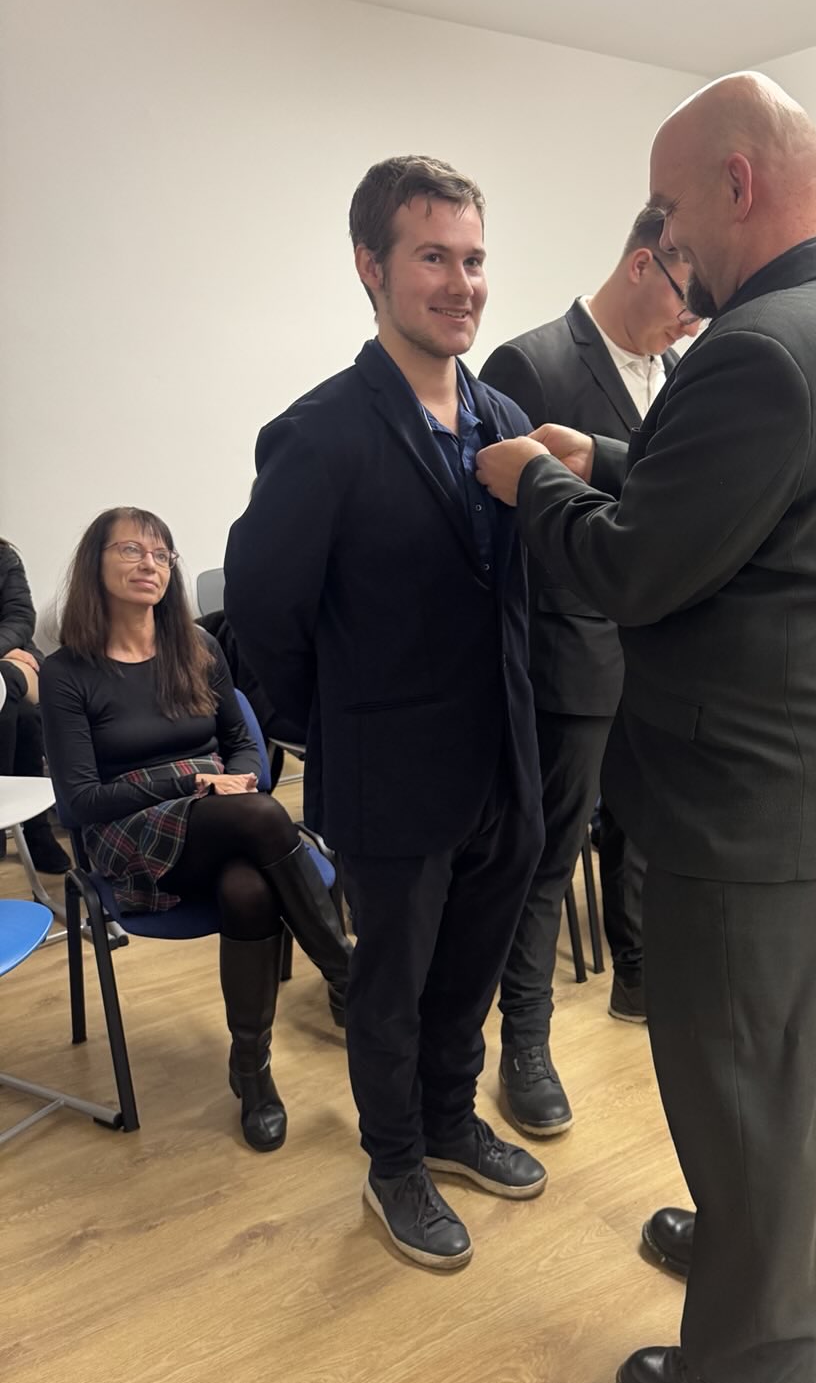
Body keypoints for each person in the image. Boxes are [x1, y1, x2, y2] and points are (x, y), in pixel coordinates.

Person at [476, 73, 816, 1383]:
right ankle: (745, 1252)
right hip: (808, 759)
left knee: (737, 1073)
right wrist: (606, 452)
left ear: (737, 182)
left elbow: (637, 569)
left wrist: (537, 483)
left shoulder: (759, 345)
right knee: (775, 1057)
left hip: (750, 781)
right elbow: (740, 496)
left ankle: (756, 1367)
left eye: (669, 208)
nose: (665, 240)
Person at [224, 156, 547, 1272]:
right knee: (391, 987)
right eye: (434, 258)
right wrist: (343, 721)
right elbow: (262, 614)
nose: (463, 284)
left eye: (475, 259)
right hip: (390, 768)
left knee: (469, 973)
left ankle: (451, 1119)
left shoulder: (506, 419)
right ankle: (394, 1160)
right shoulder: (318, 433)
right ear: (371, 267)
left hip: (504, 760)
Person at [477, 206, 700, 1135]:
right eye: (688, 295)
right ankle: (524, 1042)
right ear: (644, 264)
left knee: (645, 839)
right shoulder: (531, 364)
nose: (693, 318)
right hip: (564, 661)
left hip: (663, 661)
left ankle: (636, 975)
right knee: (544, 860)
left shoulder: (683, 373)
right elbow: (498, 539)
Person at [39, 509, 352, 1152]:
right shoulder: (68, 672)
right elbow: (81, 800)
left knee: (250, 890)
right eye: (131, 550)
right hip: (126, 833)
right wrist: (195, 780)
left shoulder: (198, 647)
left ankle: (252, 1071)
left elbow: (244, 744)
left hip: (221, 817)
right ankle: (348, 974)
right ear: (95, 563)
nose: (149, 564)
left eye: (162, 554)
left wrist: (234, 778)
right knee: (261, 814)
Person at [0, 537, 73, 873]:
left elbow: (19, 618)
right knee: (25, 715)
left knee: (8, 682)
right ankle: (35, 828)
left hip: (13, 659)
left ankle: (20, 822)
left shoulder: (3, 557)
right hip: (10, 666)